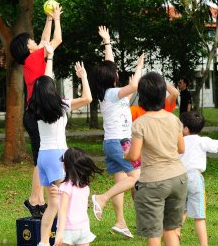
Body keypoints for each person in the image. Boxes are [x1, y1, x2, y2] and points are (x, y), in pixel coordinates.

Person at [89, 26, 144, 238]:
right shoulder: (113, 93)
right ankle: (101, 198)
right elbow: (135, 85)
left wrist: (107, 42)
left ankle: (121, 222)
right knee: (136, 177)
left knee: (122, 181)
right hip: (120, 142)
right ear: (112, 78)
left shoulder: (109, 94)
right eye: (115, 73)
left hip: (112, 142)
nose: (117, 72)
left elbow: (110, 66)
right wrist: (139, 66)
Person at [31, 60, 92, 246]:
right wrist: (84, 78)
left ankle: (43, 242)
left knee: (53, 204)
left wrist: (49, 58)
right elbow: (88, 98)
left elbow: (44, 81)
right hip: (58, 156)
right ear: (52, 89)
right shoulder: (62, 105)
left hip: (43, 157)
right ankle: (66, 238)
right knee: (65, 201)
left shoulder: (35, 108)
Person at [9, 4, 62, 218]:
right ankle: (34, 199)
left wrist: (48, 19)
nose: (34, 40)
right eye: (29, 40)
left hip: (34, 113)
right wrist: (57, 18)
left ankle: (37, 200)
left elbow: (44, 41)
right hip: (35, 114)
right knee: (40, 158)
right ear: (26, 47)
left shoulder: (32, 58)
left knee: (40, 157)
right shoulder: (33, 58)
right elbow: (55, 41)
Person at [126, 71, 187, 246]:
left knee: (154, 232)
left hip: (153, 182)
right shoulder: (174, 119)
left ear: (142, 97)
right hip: (178, 179)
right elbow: (181, 148)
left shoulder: (140, 123)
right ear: (162, 95)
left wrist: (126, 153)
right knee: (170, 229)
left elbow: (134, 155)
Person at [178, 111, 218, 246]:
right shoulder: (202, 141)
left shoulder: (177, 142)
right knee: (199, 217)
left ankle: (175, 235)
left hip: (178, 178)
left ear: (185, 128)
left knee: (180, 210)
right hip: (194, 179)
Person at [54, 148, 103, 246]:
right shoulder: (85, 185)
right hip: (83, 227)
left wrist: (59, 232)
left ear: (67, 165)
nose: (61, 163)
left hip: (67, 229)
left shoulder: (65, 186)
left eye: (63, 160)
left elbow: (63, 210)